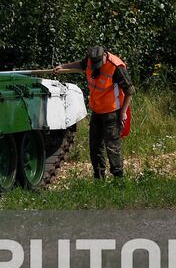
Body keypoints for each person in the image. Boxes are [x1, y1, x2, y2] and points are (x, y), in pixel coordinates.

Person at [52, 45, 133, 180]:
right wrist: (63, 67)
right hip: (97, 111)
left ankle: (119, 178)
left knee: (112, 147)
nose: (95, 66)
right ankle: (99, 177)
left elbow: (129, 90)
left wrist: (123, 112)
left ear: (104, 55)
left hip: (112, 112)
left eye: (98, 63)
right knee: (95, 147)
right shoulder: (91, 60)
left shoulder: (116, 66)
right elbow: (80, 64)